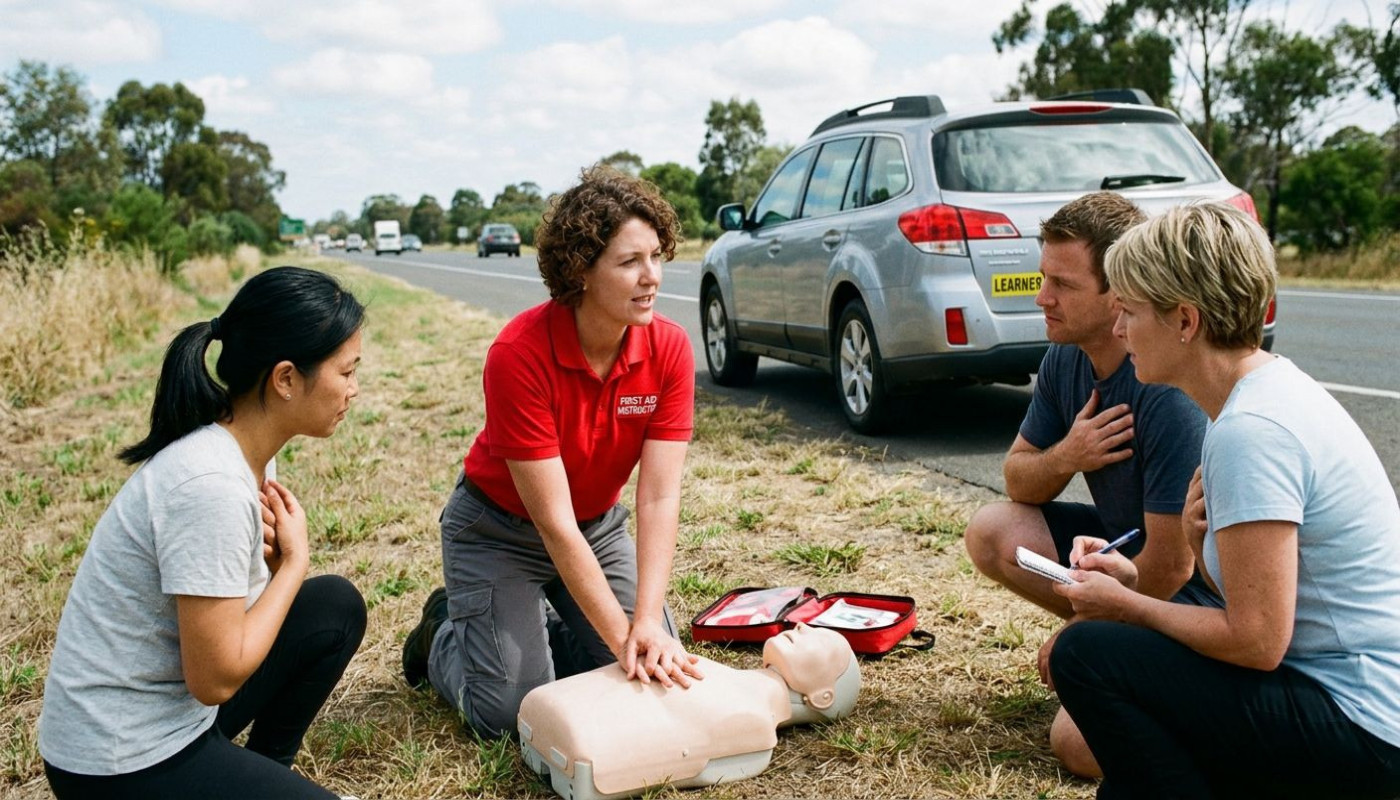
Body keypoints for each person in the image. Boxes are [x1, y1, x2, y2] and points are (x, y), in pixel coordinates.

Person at [1049, 202, 1400, 799]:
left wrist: (1125, 604)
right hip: (1348, 700)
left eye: (1130, 312)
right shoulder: (1263, 391)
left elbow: (1257, 641)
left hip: (1364, 724)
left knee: (1086, 654)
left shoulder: (1250, 430)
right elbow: (1272, 600)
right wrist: (1182, 552)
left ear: (1185, 321)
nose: (1118, 330)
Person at [38, 266, 369, 799]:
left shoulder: (247, 448)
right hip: (120, 761)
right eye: (346, 371)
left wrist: (282, 574)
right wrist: (294, 565)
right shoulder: (209, 484)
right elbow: (215, 679)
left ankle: (264, 772)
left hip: (177, 714)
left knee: (334, 607)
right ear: (285, 379)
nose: (355, 389)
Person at [402, 165, 703, 737]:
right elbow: (554, 524)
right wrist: (623, 639)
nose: (651, 278)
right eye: (629, 262)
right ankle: (444, 631)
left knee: (647, 675)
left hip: (597, 528)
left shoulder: (669, 348)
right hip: (498, 532)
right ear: (580, 270)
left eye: (657, 257)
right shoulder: (518, 353)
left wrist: (644, 624)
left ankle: (539, 627)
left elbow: (659, 498)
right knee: (512, 717)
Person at [962, 191, 1216, 778]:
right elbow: (1017, 478)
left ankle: (1198, 714)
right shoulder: (1066, 356)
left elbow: (1173, 566)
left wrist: (1082, 631)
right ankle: (1111, 659)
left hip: (1198, 591)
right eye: (1041, 277)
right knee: (992, 530)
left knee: (1078, 747)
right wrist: (1068, 455)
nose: (1042, 297)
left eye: (1064, 285)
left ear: (1119, 293)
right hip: (1133, 550)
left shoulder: (1164, 384)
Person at [517, 624, 860, 800]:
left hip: (581, 738)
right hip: (568, 721)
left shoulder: (754, 724)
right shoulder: (731, 683)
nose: (802, 627)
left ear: (823, 696)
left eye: (821, 640)